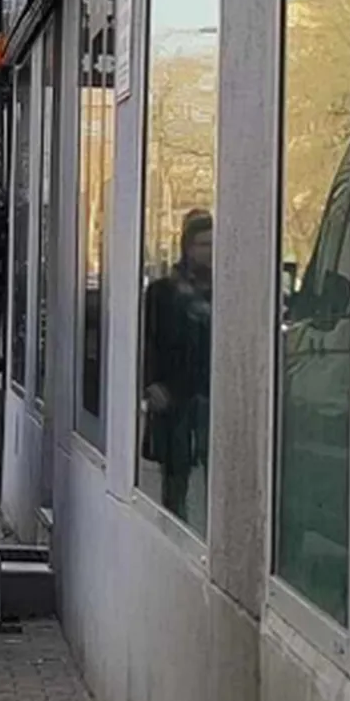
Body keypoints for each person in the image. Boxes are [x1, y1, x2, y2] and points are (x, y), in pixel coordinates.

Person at [141, 210, 213, 526]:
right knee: (175, 477)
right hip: (173, 398)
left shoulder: (227, 293)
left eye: (213, 244)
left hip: (209, 395)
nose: (208, 252)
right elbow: (148, 341)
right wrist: (151, 384)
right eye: (202, 244)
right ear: (187, 246)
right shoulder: (163, 292)